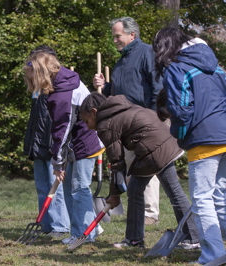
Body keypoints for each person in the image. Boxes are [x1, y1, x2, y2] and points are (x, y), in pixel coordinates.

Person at [80, 92, 199, 249]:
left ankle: (192, 238)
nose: (87, 126)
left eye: (86, 120)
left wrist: (114, 195)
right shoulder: (122, 107)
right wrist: (115, 193)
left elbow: (117, 161)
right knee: (138, 190)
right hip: (164, 143)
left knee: (173, 192)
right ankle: (135, 239)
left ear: (94, 112)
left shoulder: (105, 124)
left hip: (156, 150)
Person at [154, 27, 226, 264]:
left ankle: (213, 255)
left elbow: (181, 110)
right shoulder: (217, 68)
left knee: (202, 199)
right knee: (221, 198)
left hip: (203, 140)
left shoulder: (177, 68)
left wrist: (179, 135)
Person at [24, 52, 105, 245]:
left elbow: (62, 130)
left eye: (32, 77)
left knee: (79, 188)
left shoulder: (63, 94)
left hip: (86, 143)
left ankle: (86, 235)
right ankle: (79, 231)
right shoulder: (62, 80)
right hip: (75, 143)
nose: (31, 82)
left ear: (42, 73)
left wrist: (58, 162)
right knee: (70, 188)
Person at [93, 16, 161, 226]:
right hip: (126, 121)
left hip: (144, 119)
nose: (114, 40)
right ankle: (138, 208)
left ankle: (149, 213)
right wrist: (105, 87)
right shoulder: (121, 60)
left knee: (147, 165)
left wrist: (154, 115)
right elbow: (120, 91)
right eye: (114, 36)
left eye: (118, 36)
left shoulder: (147, 53)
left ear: (132, 35)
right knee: (132, 166)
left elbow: (158, 85)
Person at [23, 45, 70, 236]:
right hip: (37, 143)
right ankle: (47, 224)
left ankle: (60, 225)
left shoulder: (58, 86)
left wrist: (56, 146)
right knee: (42, 187)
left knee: (55, 187)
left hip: (52, 144)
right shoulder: (37, 87)